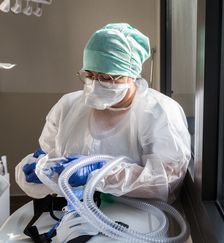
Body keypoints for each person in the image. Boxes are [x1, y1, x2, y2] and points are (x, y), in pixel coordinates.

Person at [15, 23, 191, 202]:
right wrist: (38, 169)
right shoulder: (67, 106)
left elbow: (169, 179)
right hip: (72, 212)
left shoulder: (159, 112)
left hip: (137, 219)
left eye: (107, 78)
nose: (95, 83)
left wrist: (102, 173)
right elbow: (48, 156)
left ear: (132, 74)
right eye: (90, 75)